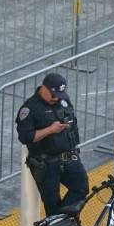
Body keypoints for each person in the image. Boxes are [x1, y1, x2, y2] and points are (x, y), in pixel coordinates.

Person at [17, 72, 89, 216]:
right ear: (44, 88)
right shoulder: (30, 108)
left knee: (81, 188)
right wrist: (50, 130)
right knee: (52, 202)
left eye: (59, 95)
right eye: (53, 94)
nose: (56, 98)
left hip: (69, 157)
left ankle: (61, 221)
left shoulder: (63, 101)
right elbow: (26, 137)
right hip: (46, 163)